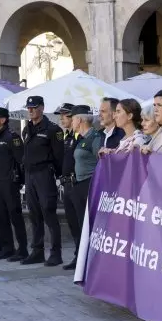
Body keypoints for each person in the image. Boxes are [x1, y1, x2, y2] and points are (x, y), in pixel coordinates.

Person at [21, 96, 64, 267]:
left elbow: (59, 156)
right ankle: (37, 251)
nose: (30, 110)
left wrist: (59, 178)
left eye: (33, 107)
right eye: (28, 108)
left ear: (42, 108)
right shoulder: (27, 129)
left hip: (45, 173)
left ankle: (56, 252)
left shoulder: (53, 130)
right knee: (34, 213)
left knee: (49, 212)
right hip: (30, 175)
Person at [0, 107, 27, 262]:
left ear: (2, 120)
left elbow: (21, 161)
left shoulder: (12, 137)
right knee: (0, 216)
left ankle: (22, 249)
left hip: (10, 183)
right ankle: (7, 248)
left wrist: (20, 182)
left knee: (15, 215)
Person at [69, 105, 103, 246]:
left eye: (73, 119)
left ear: (80, 120)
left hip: (89, 183)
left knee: (89, 222)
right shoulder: (82, 138)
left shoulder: (94, 137)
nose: (71, 122)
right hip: (79, 183)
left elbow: (100, 161)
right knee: (80, 223)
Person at [54, 103, 82, 270]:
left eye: (65, 115)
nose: (61, 118)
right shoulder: (68, 136)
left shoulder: (80, 136)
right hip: (67, 183)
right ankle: (77, 255)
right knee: (72, 222)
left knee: (79, 222)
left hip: (77, 183)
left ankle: (81, 256)